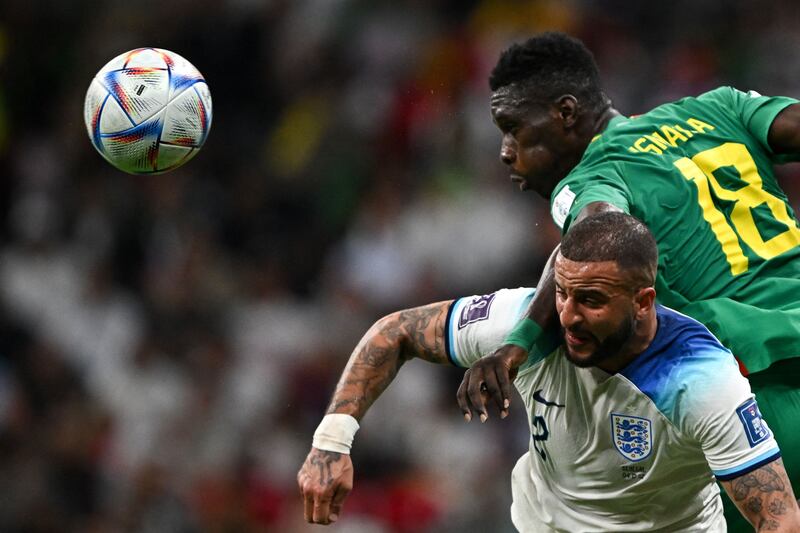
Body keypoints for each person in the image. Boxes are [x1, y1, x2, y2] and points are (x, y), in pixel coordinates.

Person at [459, 31, 800, 532]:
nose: (506, 152)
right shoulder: (718, 108)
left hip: (758, 398)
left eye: (512, 128)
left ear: (566, 113)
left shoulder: (592, 178)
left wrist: (518, 343)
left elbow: (597, 239)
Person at [298, 212, 800, 532]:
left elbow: (778, 518)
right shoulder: (525, 327)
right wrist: (331, 441)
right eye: (562, 294)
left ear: (644, 301)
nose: (569, 316)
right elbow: (395, 333)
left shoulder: (702, 379)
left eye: (592, 301)